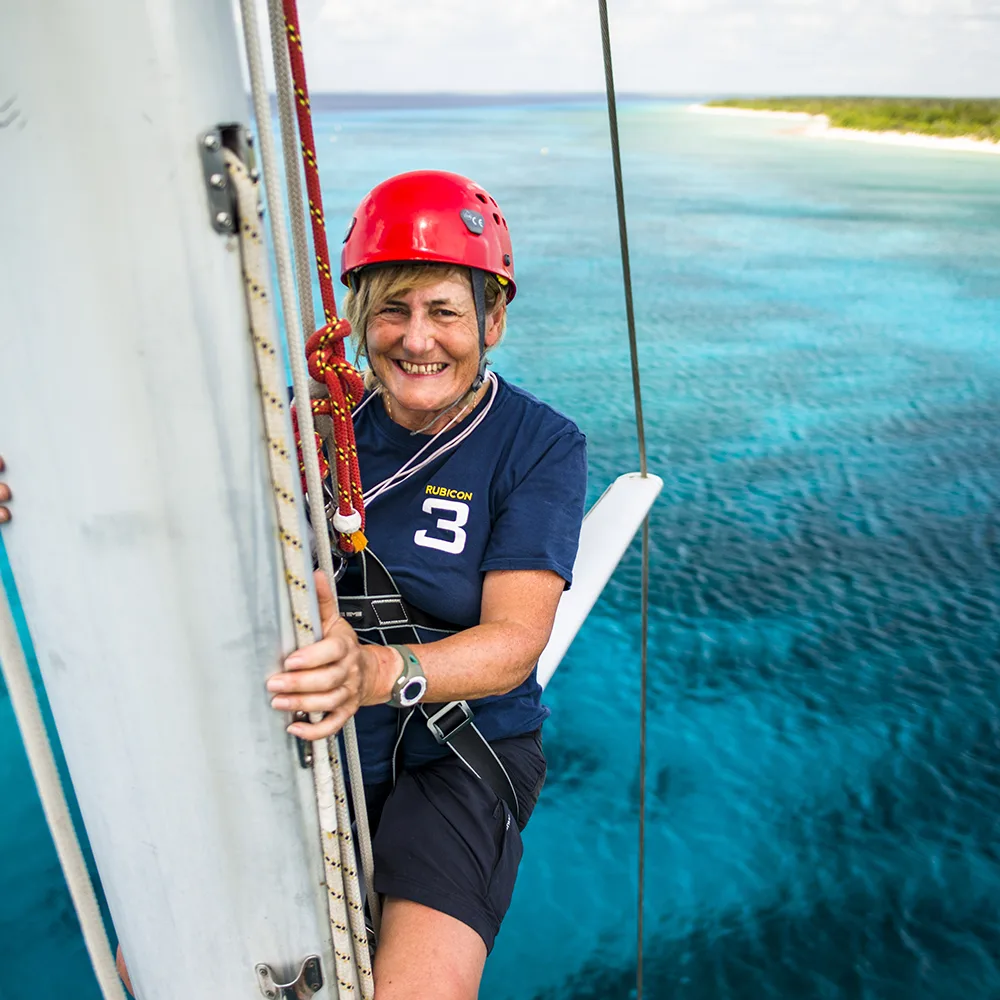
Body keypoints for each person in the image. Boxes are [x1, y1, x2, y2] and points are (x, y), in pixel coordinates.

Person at [1, 170, 588, 1000]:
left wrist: (378, 673)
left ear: (492, 320)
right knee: (160, 966)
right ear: (359, 320)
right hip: (318, 722)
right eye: (392, 309)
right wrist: (31, 482)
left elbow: (512, 644)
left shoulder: (536, 444)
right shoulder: (308, 426)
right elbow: (160, 504)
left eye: (444, 311)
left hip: (459, 743)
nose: (416, 338)